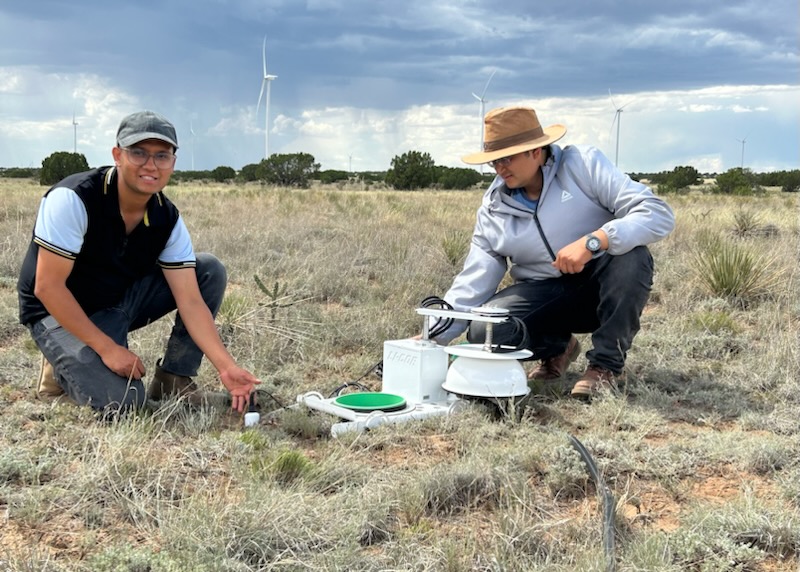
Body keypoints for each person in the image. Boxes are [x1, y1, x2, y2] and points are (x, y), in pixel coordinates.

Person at [17, 110, 260, 415]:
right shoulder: (74, 198)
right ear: (117, 155)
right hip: (56, 310)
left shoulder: (166, 216)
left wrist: (226, 367)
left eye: (162, 155)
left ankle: (173, 377)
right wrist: (107, 349)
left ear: (173, 162)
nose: (151, 165)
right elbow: (48, 287)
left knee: (207, 269)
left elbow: (190, 300)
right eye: (139, 153)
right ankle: (61, 365)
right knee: (125, 403)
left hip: (119, 301)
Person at [431, 106, 675, 398]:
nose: (499, 169)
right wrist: (433, 336)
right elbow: (476, 277)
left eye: (507, 158)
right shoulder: (493, 208)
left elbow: (657, 213)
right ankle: (560, 347)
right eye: (494, 161)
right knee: (485, 330)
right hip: (545, 296)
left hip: (602, 288)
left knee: (632, 257)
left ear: (535, 151)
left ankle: (604, 368)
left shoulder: (583, 165)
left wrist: (595, 241)